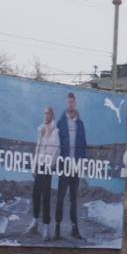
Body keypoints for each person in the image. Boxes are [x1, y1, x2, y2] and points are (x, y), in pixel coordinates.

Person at [53, 94, 88, 241]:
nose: (70, 104)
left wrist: (83, 163)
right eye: (68, 102)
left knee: (74, 198)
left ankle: (75, 229)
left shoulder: (80, 124)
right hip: (64, 164)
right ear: (66, 103)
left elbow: (83, 144)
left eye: (72, 102)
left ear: (75, 103)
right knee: (60, 197)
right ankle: (57, 229)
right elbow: (56, 143)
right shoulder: (60, 123)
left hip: (76, 165)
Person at [28, 104, 58, 238]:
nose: (46, 116)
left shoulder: (55, 131)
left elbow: (57, 150)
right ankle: (35, 221)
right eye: (44, 113)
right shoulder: (40, 129)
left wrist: (50, 165)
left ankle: (46, 226)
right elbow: (37, 149)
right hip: (39, 165)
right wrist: (34, 166)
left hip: (47, 167)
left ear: (52, 115)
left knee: (46, 197)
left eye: (48, 113)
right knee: (35, 194)